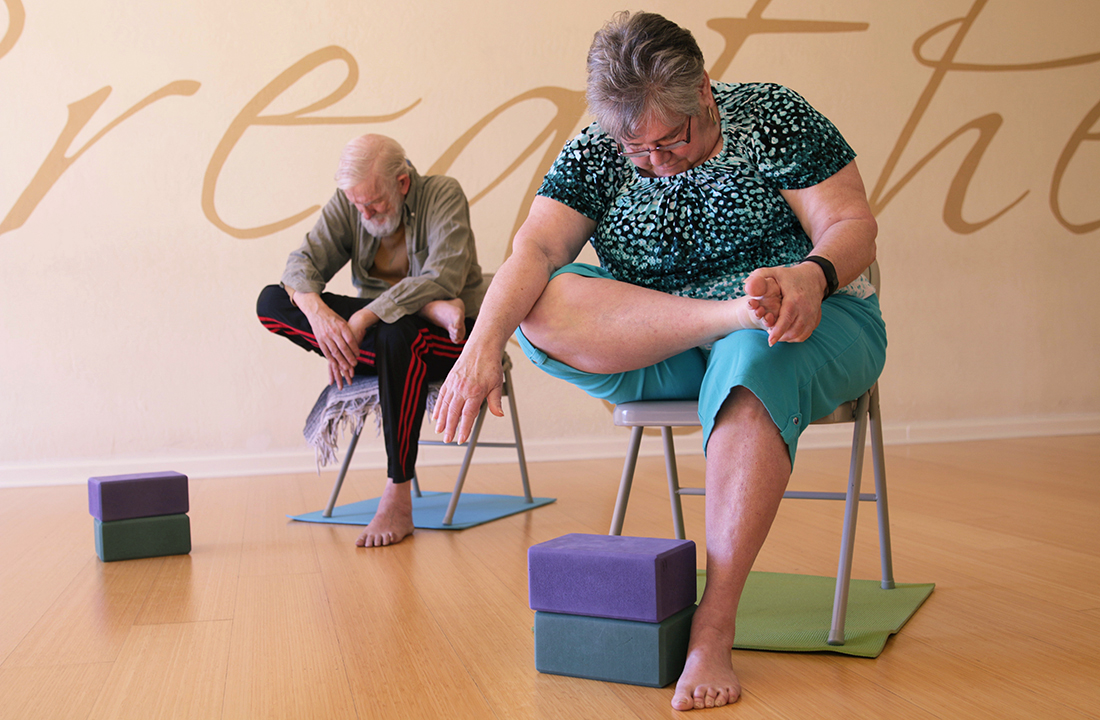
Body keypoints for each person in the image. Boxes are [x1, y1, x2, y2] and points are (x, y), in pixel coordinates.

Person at [431, 11, 886, 711]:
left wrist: (813, 275)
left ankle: (715, 621)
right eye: (635, 148)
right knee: (542, 306)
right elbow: (535, 250)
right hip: (668, 337)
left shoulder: (771, 115)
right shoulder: (601, 150)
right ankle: (732, 316)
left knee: (750, 362)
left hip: (803, 319)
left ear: (705, 90)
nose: (655, 159)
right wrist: (479, 349)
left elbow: (851, 224)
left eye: (670, 139)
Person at [257, 134, 485, 548]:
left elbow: (444, 278)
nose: (363, 212)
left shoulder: (442, 194)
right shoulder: (352, 202)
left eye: (373, 203)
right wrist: (322, 319)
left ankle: (397, 494)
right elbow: (300, 263)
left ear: (401, 183)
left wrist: (363, 315)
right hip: (375, 340)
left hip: (449, 340)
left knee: (397, 333)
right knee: (272, 299)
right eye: (356, 204)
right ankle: (418, 313)